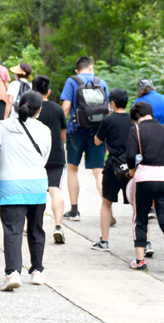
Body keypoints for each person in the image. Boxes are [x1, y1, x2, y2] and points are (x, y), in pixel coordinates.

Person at [0, 91, 50, 291]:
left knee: (13, 230)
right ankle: (37, 271)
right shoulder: (44, 129)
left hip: (11, 185)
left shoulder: (4, 126)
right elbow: (44, 156)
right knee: (36, 229)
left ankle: (13, 273)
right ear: (39, 110)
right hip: (37, 185)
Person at [126, 102, 164, 276]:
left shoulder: (136, 130)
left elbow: (131, 156)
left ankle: (140, 261)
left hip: (145, 178)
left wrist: (131, 171)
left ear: (137, 116)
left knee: (140, 218)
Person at [60, 56, 109, 221]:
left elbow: (66, 108)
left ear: (77, 70)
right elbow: (108, 110)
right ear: (91, 67)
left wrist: (62, 130)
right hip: (98, 132)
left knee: (73, 169)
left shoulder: (72, 81)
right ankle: (107, 209)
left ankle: (74, 211)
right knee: (98, 170)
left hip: (76, 131)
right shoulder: (101, 82)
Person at [92, 88, 133, 252]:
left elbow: (97, 141)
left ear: (112, 103)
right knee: (138, 206)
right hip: (131, 167)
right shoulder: (133, 119)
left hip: (113, 166)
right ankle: (146, 242)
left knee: (106, 203)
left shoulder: (108, 120)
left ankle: (104, 241)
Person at [33, 76, 68, 243]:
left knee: (33, 191)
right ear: (49, 91)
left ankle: (30, 225)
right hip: (55, 155)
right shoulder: (57, 109)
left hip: (34, 156)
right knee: (55, 190)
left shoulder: (30, 108)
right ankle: (58, 225)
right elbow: (63, 136)